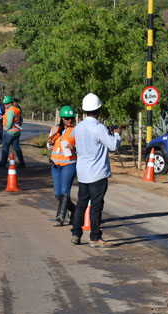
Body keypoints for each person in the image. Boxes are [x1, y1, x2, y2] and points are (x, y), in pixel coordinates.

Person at [70, 93, 120, 248]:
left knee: (81, 204)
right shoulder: (99, 128)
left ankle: (76, 234)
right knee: (96, 206)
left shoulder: (78, 128)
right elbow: (113, 146)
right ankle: (95, 237)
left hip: (83, 173)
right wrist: (117, 135)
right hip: (97, 173)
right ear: (99, 109)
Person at [47, 106, 77, 226]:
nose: (69, 121)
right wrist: (49, 143)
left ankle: (60, 217)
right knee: (58, 193)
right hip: (55, 164)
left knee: (65, 191)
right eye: (67, 118)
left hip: (69, 164)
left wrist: (74, 148)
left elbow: (81, 148)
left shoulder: (75, 131)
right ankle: (74, 209)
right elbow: (50, 147)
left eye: (71, 118)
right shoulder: (54, 130)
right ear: (62, 119)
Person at [0, 95, 26, 169]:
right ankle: (22, 163)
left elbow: (9, 122)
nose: (5, 105)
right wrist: (20, 123)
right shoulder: (17, 109)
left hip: (9, 132)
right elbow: (21, 119)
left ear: (10, 103)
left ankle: (3, 163)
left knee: (5, 147)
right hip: (16, 132)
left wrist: (6, 129)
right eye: (4, 104)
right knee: (16, 147)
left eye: (6, 104)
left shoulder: (10, 111)